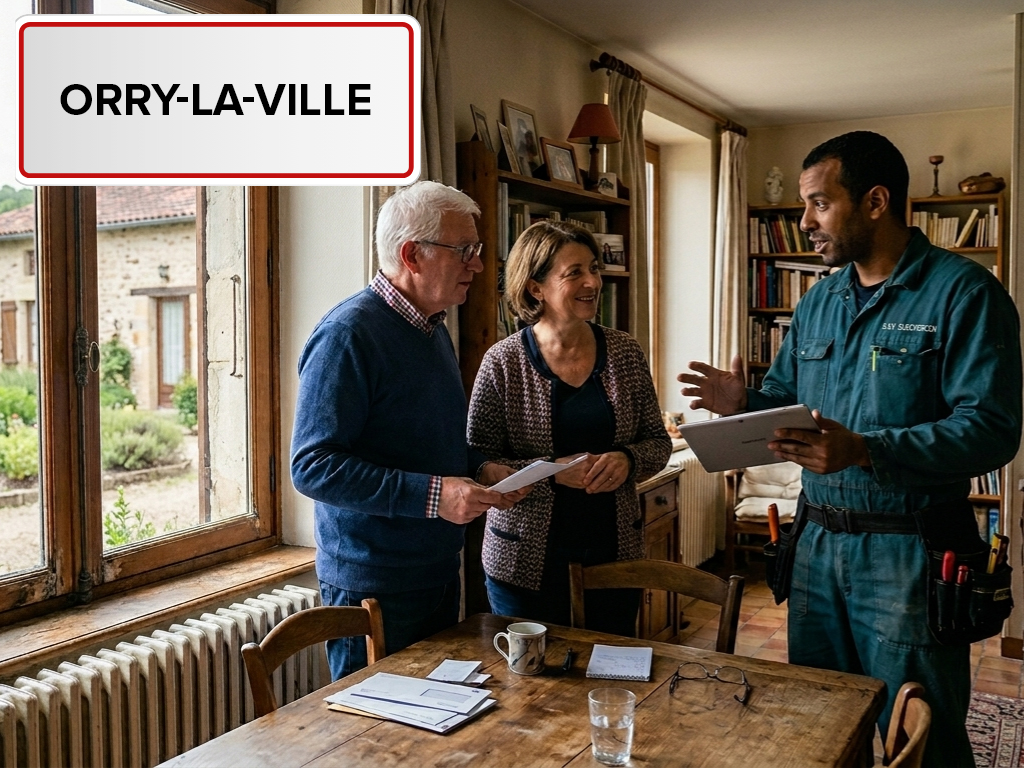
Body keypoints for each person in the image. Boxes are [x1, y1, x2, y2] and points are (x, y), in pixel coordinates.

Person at [678, 131, 1022, 767]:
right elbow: (784, 404)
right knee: (819, 724)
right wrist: (743, 401)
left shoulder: (964, 294)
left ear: (874, 201)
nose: (804, 222)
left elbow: (993, 430)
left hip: (908, 555)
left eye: (818, 203)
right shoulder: (818, 304)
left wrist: (865, 450)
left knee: (923, 734)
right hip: (814, 552)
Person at [291, 181, 527, 680]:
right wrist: (435, 495)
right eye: (464, 251)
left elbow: (418, 441)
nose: (478, 265)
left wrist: (478, 469)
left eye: (477, 251)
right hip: (373, 585)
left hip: (435, 570)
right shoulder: (347, 334)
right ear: (411, 255)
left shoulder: (431, 327)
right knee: (375, 747)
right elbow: (313, 467)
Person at [468, 220, 671, 635]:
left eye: (593, 268)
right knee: (529, 692)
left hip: (615, 556)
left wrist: (627, 459)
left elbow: (658, 442)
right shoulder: (502, 362)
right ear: (535, 287)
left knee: (611, 675)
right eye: (574, 272)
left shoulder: (625, 352)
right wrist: (553, 473)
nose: (592, 281)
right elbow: (477, 460)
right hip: (523, 564)